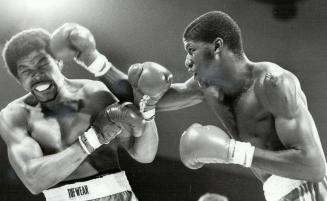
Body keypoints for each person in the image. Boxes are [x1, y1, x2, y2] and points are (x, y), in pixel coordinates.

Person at [81, 11, 327, 201]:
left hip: (308, 188)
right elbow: (142, 97)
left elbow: (314, 166)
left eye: (192, 50)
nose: (187, 61)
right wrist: (95, 62)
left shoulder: (273, 83)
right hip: (273, 190)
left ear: (217, 46)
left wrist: (232, 152)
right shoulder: (204, 86)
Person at [0, 26, 161, 201]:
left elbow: (145, 155)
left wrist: (147, 110)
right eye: (25, 71)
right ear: (19, 79)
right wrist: (95, 136)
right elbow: (33, 180)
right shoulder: (15, 116)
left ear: (58, 61)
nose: (37, 74)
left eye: (43, 63)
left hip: (116, 195)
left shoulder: (96, 94)